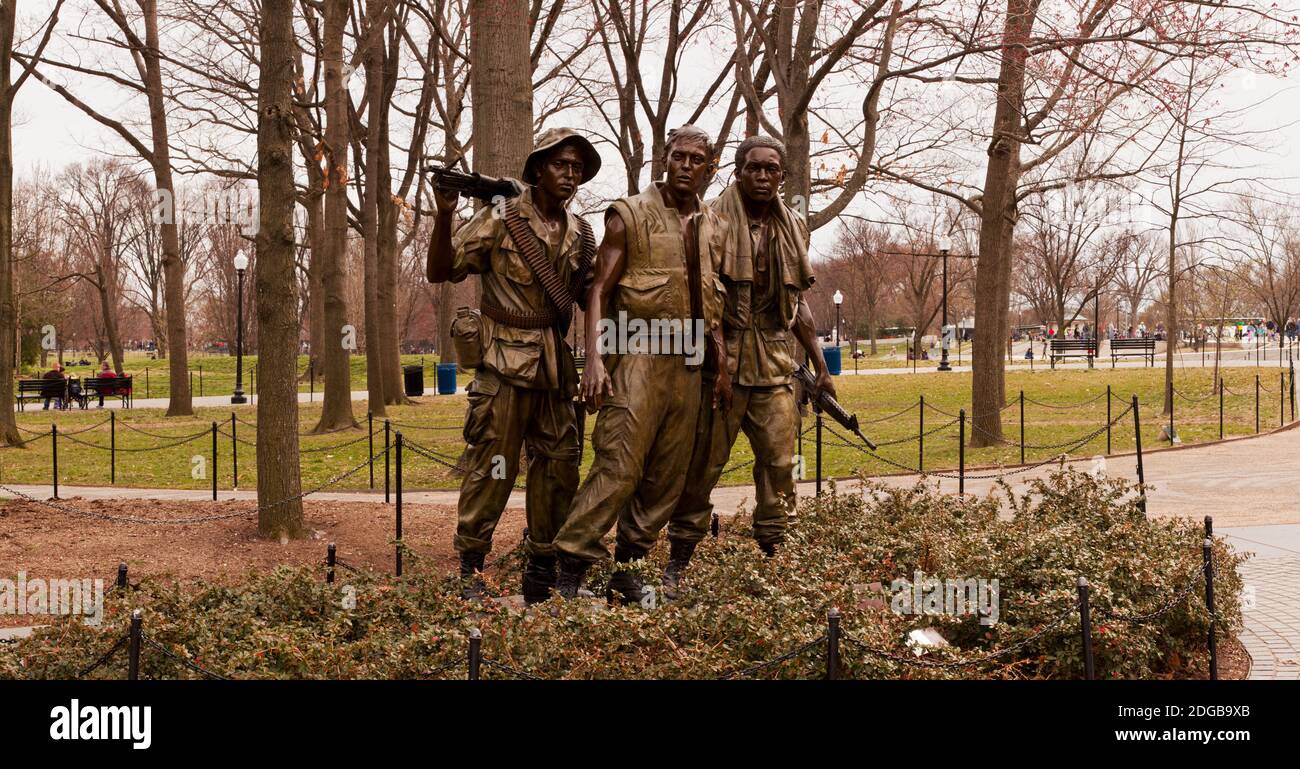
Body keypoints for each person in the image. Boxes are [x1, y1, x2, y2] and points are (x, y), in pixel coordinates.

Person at [551, 125, 730, 604]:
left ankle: (628, 568)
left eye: (697, 159)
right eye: (678, 156)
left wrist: (724, 365)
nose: (686, 166)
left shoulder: (713, 223)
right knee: (620, 464)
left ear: (710, 167)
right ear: (664, 159)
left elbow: (714, 301)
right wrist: (593, 359)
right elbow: (598, 291)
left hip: (690, 362)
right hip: (638, 353)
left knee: (665, 477)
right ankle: (569, 566)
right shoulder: (628, 215)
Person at [426, 127, 601, 604]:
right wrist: (444, 216)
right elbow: (442, 270)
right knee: (491, 470)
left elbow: (597, 295)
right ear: (538, 169)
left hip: (555, 370)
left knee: (559, 469)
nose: (570, 174)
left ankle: (543, 574)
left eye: (577, 168)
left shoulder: (582, 232)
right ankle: (471, 575)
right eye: (561, 165)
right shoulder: (501, 216)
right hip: (503, 364)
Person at [659, 135, 832, 597]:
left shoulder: (793, 226)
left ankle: (776, 556)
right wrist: (718, 365)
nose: (762, 176)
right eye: (753, 168)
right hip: (725, 363)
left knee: (779, 465)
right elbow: (703, 300)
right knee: (704, 466)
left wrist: (821, 366)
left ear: (782, 176)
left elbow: (797, 305)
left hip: (776, 364)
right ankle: (678, 560)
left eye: (771, 169)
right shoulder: (710, 220)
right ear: (738, 172)